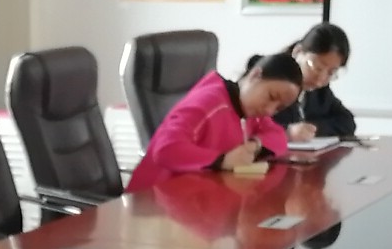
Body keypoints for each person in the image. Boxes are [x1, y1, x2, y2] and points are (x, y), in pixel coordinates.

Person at [123, 54, 301, 193]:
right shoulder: (210, 102)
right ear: (255, 75)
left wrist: (255, 145)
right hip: (154, 204)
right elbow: (164, 149)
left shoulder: (252, 112)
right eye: (271, 97)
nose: (270, 110)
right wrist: (221, 160)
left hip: (194, 200)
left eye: (279, 108)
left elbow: (278, 136)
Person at [270, 23, 354, 141]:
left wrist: (311, 129)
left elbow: (347, 122)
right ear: (298, 52)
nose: (320, 80)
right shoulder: (270, 80)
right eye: (317, 68)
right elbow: (250, 125)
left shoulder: (320, 91)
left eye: (331, 72)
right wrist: (286, 132)